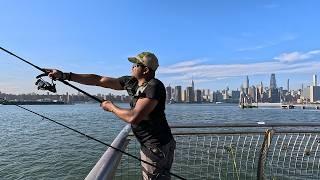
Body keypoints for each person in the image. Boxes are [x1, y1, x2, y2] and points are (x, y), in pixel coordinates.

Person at [46, 52, 176, 180]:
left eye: (136, 65)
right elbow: (99, 80)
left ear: (146, 70)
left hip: (157, 146)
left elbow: (134, 117)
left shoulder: (154, 86)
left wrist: (111, 107)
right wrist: (64, 75)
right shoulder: (132, 82)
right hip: (152, 144)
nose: (132, 67)